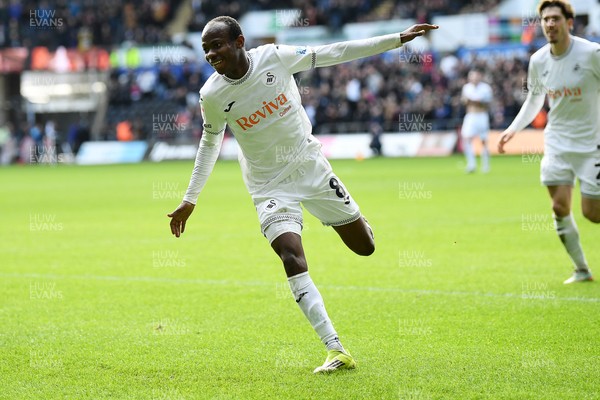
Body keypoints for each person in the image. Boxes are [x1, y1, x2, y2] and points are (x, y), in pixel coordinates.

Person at [167, 16, 438, 373]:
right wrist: (191, 198)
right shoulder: (212, 95)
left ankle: (349, 216)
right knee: (291, 256)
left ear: (238, 41)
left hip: (310, 167)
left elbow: (335, 51)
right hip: (269, 186)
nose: (210, 54)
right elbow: (210, 142)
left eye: (216, 45)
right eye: (205, 49)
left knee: (365, 246)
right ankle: (335, 348)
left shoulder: (275, 58)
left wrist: (397, 39)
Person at [498, 0, 600, 284]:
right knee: (558, 207)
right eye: (545, 20)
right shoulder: (538, 60)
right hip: (556, 142)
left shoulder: (592, 53)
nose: (550, 24)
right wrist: (513, 128)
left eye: (555, 18)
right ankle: (581, 269)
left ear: (569, 22)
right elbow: (534, 99)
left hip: (593, 145)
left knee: (593, 214)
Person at [461, 68, 493, 173]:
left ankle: (486, 165)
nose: (474, 78)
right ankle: (471, 165)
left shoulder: (485, 88)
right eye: (472, 76)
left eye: (476, 76)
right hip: (470, 116)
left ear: (480, 76)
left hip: (481, 116)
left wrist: (473, 101)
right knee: (466, 139)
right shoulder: (466, 87)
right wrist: (472, 101)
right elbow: (464, 101)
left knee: (483, 141)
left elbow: (485, 102)